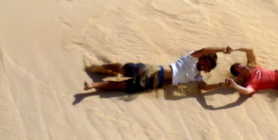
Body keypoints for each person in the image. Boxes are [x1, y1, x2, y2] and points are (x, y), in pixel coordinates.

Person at [83, 46, 232, 93]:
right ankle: (100, 67)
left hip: (155, 84)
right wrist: (222, 49)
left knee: (123, 86)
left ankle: (93, 86)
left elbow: (204, 87)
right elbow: (205, 49)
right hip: (154, 71)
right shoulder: (191, 59)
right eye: (205, 61)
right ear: (202, 58)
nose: (205, 65)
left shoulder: (197, 76)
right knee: (122, 69)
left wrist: (220, 85)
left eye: (208, 66)